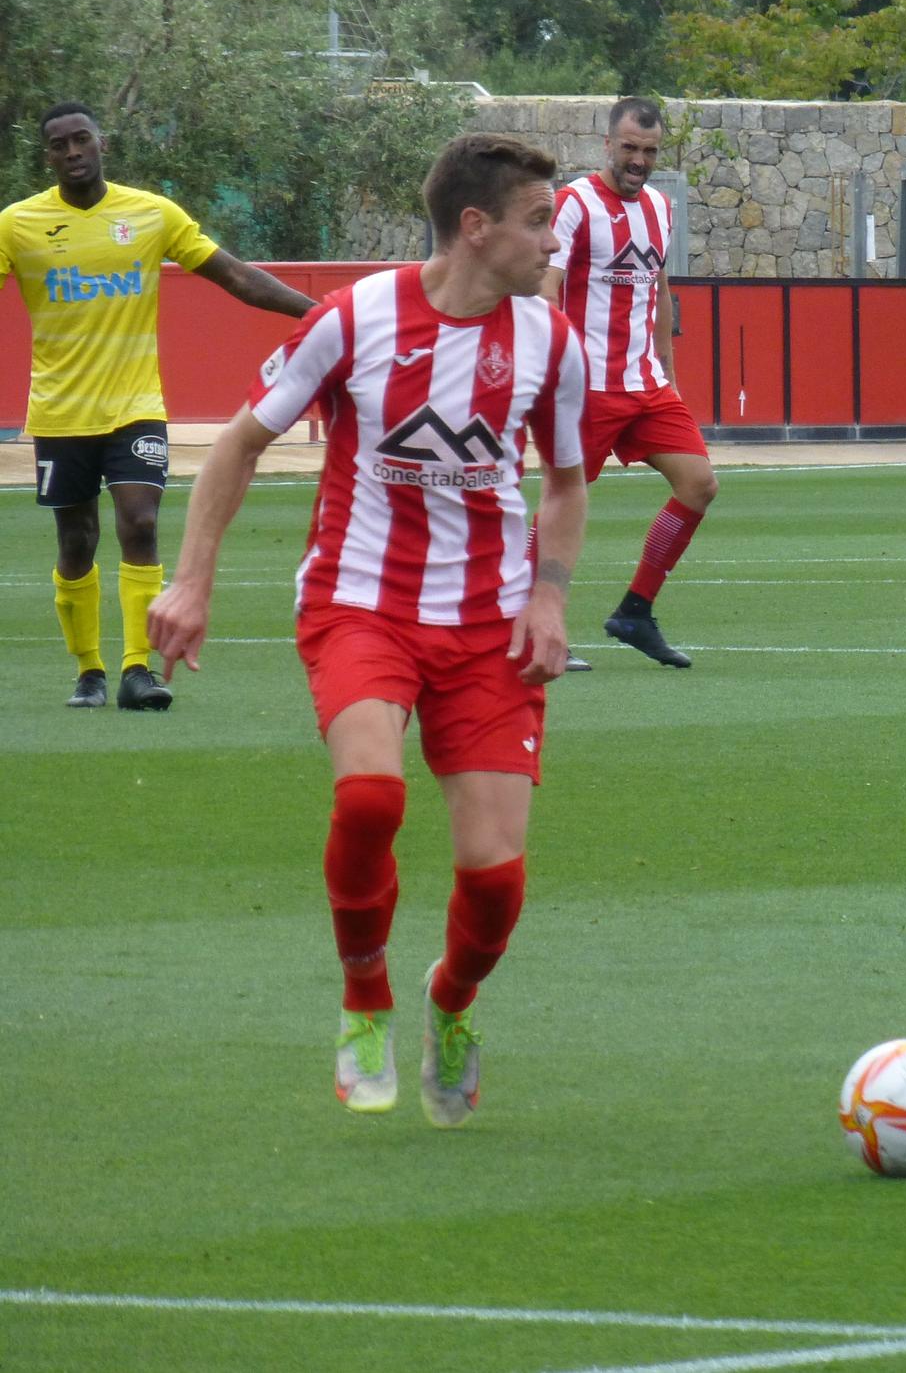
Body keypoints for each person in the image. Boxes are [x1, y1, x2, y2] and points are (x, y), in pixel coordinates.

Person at [148, 134, 589, 1127]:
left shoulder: (552, 344)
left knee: (495, 878)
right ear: (475, 228)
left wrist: (550, 596)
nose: (552, 242)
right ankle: (363, 997)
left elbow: (565, 482)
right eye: (536, 221)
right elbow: (238, 445)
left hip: (488, 629)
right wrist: (192, 583)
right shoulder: (356, 320)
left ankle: (450, 1005)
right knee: (368, 797)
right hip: (363, 604)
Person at [0, 101, 316, 711]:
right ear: (47, 155)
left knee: (140, 523)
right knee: (76, 542)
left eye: (81, 140)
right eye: (59, 145)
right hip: (61, 412)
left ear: (102, 143)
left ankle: (136, 670)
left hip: (136, 404)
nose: (72, 152)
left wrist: (318, 311)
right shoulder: (18, 224)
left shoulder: (150, 213)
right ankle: (88, 671)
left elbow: (235, 276)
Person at [542, 95, 714, 671]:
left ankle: (635, 611)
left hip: (646, 383)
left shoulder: (661, 208)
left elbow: (659, 289)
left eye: (650, 151)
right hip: (585, 386)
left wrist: (668, 366)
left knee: (699, 484)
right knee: (561, 505)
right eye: (630, 148)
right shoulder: (573, 204)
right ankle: (530, 624)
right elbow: (546, 290)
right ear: (607, 144)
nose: (639, 160)